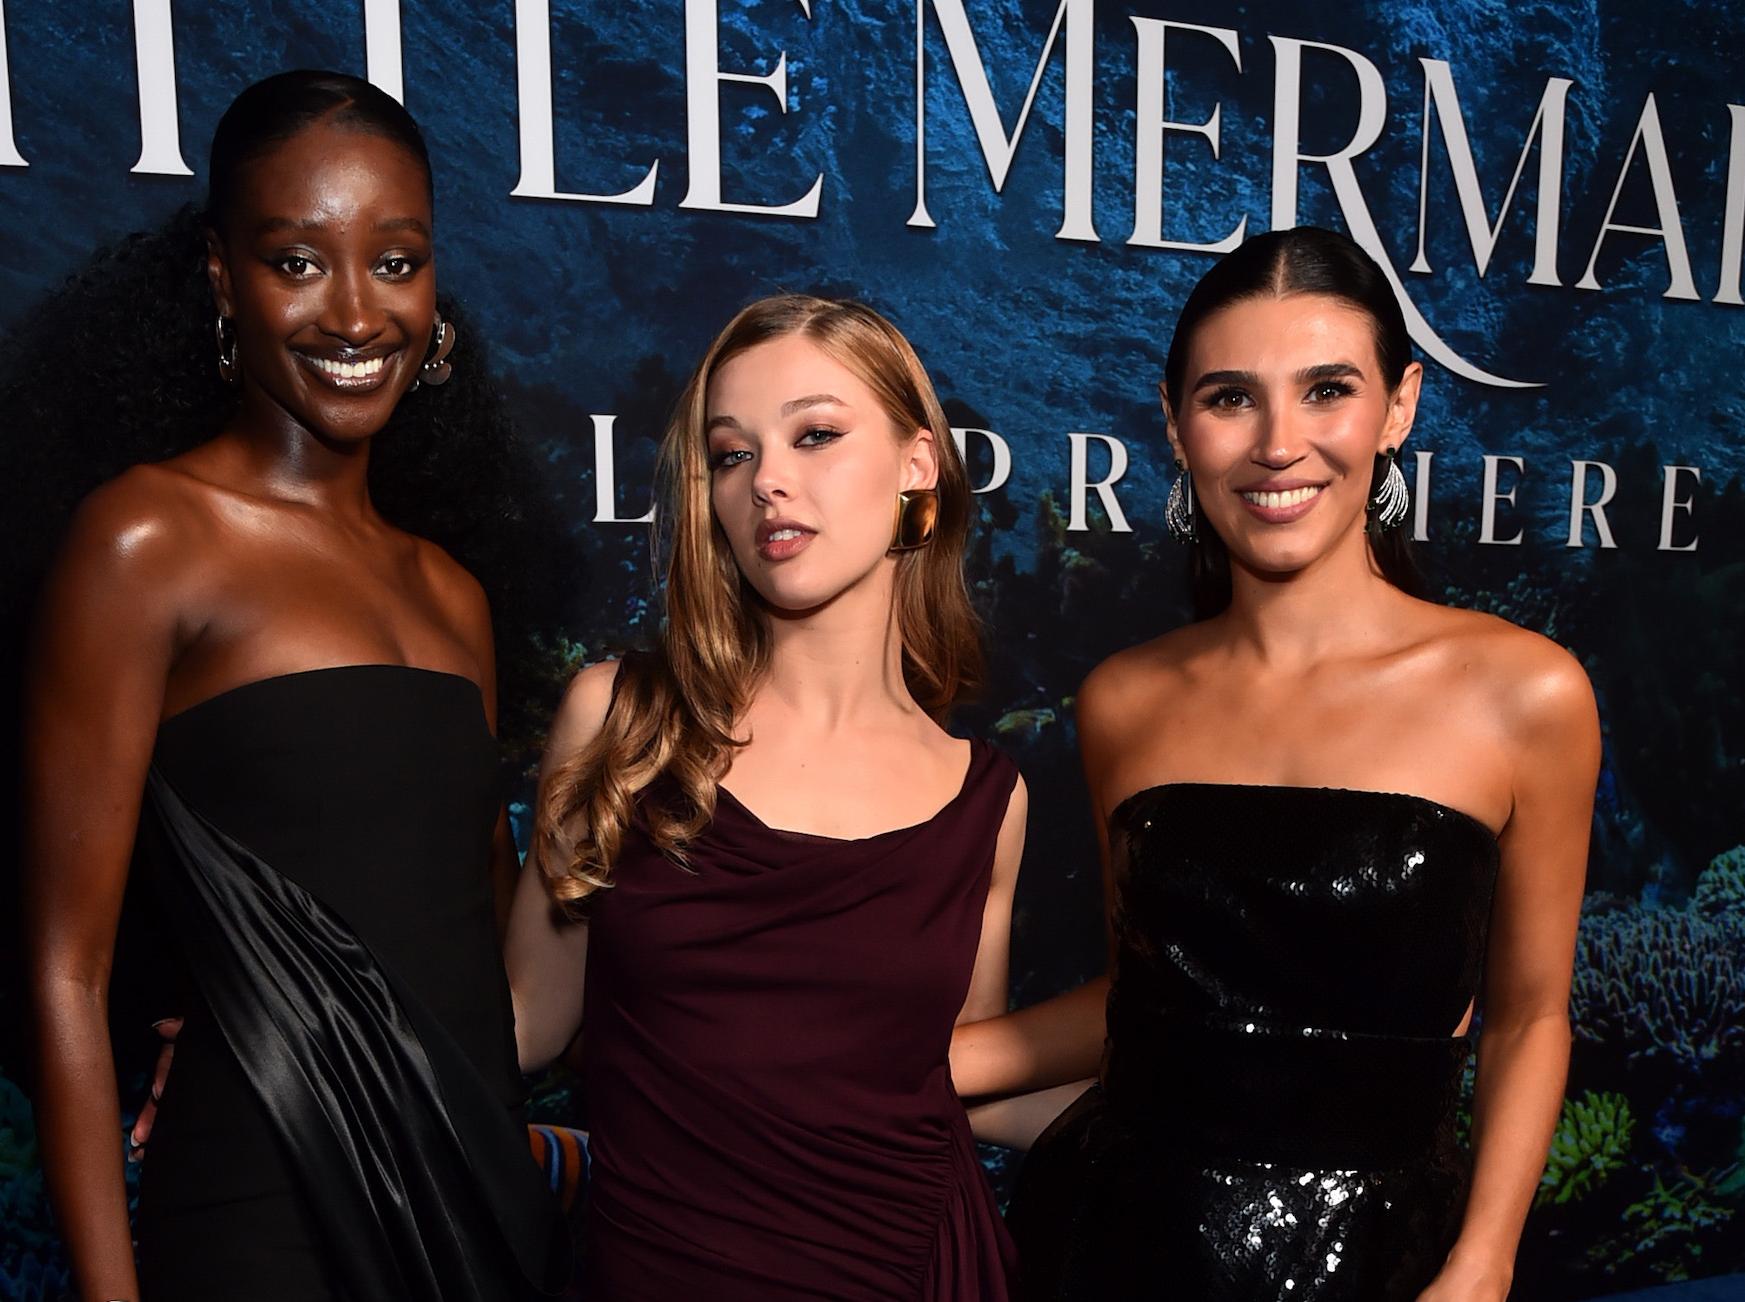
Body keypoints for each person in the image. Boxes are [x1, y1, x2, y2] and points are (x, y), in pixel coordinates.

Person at [1, 71, 567, 1302]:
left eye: (397, 260)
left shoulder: (453, 595)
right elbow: (65, 972)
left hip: (476, 1211)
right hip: (263, 1209)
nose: (357, 313)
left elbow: (479, 951)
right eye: (299, 261)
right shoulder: (147, 542)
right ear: (221, 279)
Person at [965, 227, 1597, 1301]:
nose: (1277, 443)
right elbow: (1149, 998)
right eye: (1228, 398)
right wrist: (904, 1063)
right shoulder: (1124, 699)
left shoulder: (1526, 693)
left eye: (1326, 390)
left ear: (1398, 406)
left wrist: (1483, 1264)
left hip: (1387, 1261)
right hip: (1118, 1245)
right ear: (1173, 425)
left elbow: (1531, 1015)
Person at [507, 294, 1024, 1301]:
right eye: (732, 455)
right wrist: (276, 1045)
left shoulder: (987, 801)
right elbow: (521, 1026)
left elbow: (959, 1080)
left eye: (816, 435)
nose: (768, 482)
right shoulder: (617, 719)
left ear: (918, 465)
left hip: (910, 1266)